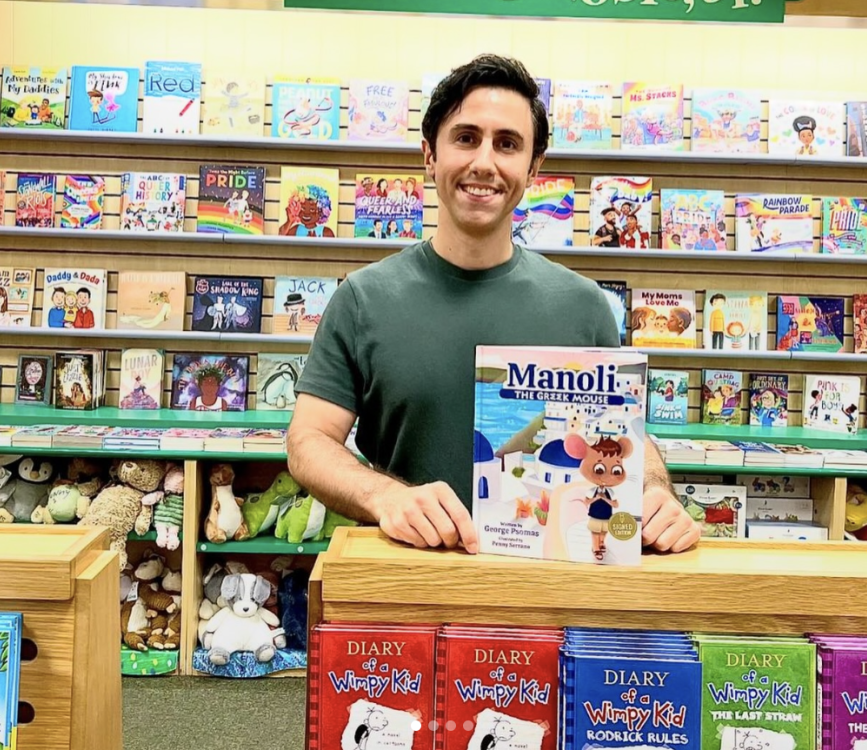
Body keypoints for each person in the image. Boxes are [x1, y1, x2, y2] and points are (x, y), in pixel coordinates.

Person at [287, 54, 700, 556]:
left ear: (533, 167)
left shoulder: (586, 306)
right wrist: (385, 496)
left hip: (553, 597)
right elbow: (308, 442)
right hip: (410, 588)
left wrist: (653, 488)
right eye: (465, 138)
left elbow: (623, 430)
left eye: (507, 144)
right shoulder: (362, 298)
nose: (484, 162)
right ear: (429, 155)